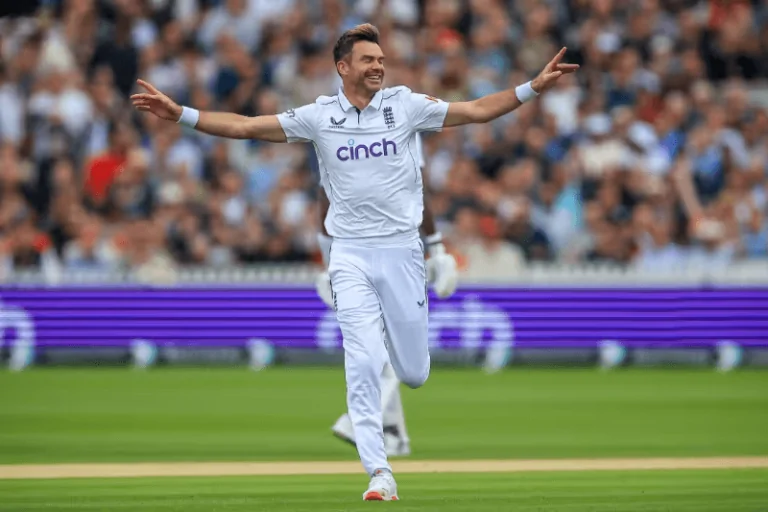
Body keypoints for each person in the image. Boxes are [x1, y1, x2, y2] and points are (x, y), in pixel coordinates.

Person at [131, 23, 577, 501]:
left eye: (381, 59)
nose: (378, 66)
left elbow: (477, 110)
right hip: (350, 254)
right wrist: (181, 115)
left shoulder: (405, 105)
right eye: (368, 60)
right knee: (362, 360)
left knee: (414, 374)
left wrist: (533, 87)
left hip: (402, 251)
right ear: (343, 68)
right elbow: (245, 126)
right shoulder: (319, 117)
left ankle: (389, 374)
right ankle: (379, 472)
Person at [315, 133, 459, 458]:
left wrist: (435, 247)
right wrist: (436, 245)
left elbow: (413, 186)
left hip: (389, 246)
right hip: (366, 248)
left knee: (384, 340)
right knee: (382, 339)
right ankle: (378, 426)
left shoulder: (392, 119)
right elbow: (327, 190)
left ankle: (389, 432)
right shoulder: (333, 124)